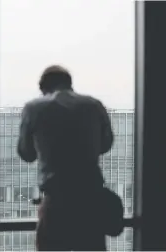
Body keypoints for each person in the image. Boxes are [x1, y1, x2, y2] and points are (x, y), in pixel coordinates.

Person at [17, 65, 114, 251]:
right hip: (90, 200)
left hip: (56, 200)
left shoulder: (34, 108)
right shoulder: (94, 105)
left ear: (42, 86)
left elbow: (26, 153)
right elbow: (105, 145)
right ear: (69, 83)